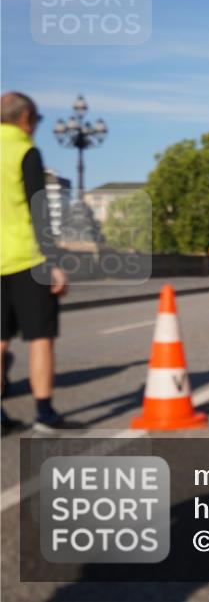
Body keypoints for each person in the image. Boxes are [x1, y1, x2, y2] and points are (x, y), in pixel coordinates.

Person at [1, 92, 70, 434]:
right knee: (40, 338)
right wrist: (53, 262)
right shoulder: (24, 151)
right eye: (38, 120)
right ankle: (44, 413)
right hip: (26, 258)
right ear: (25, 117)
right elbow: (38, 210)